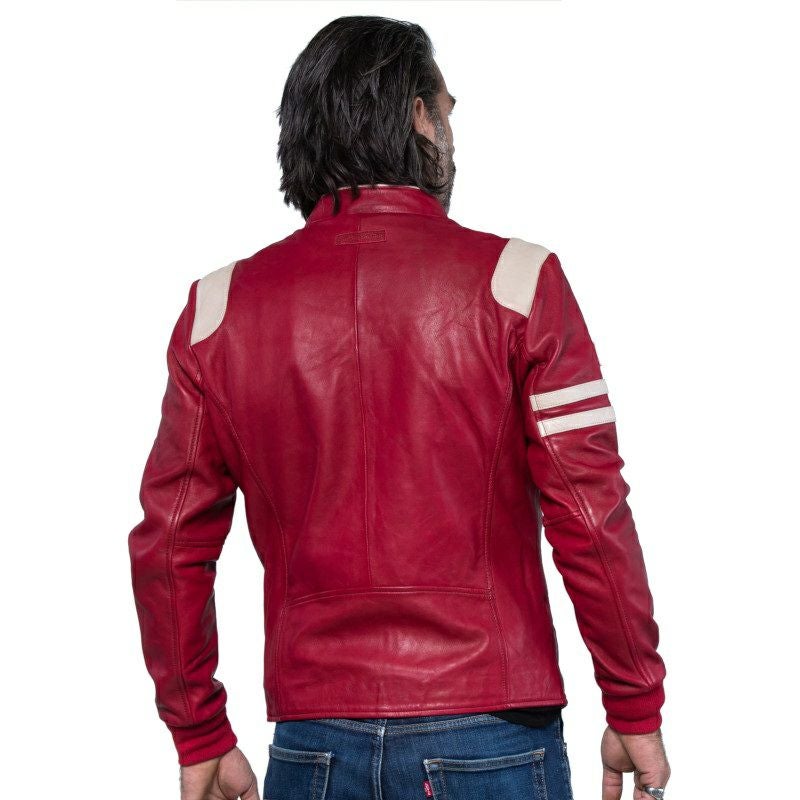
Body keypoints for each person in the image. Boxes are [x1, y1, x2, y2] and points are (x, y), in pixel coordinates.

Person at [127, 15, 671, 800]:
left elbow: (169, 541)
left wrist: (200, 732)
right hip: (493, 736)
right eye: (446, 110)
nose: (452, 132)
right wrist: (633, 703)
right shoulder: (519, 283)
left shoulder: (220, 309)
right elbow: (591, 512)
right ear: (417, 115)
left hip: (312, 745)